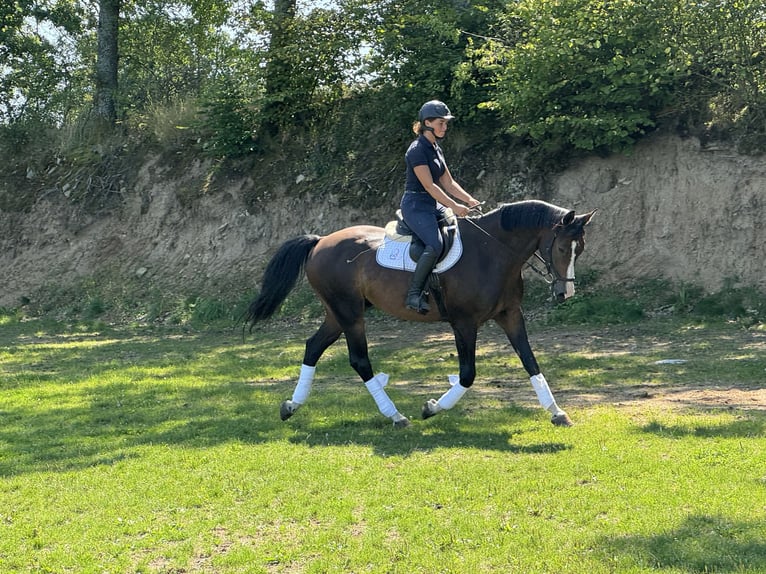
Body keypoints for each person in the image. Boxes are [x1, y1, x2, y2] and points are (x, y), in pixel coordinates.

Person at [400, 100, 480, 313]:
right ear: (427, 122)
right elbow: (429, 185)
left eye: (446, 123)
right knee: (434, 244)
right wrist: (454, 206)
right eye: (441, 123)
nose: (445, 127)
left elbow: (448, 183)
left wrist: (470, 200)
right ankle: (414, 294)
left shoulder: (436, 148)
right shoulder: (416, 150)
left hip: (432, 203)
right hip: (416, 205)